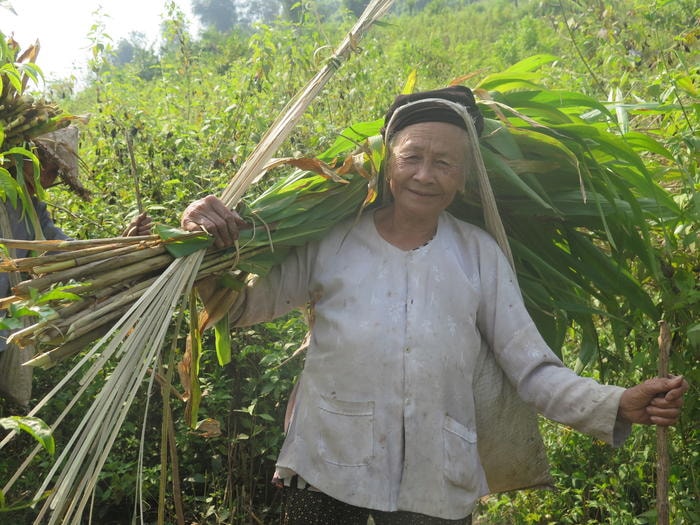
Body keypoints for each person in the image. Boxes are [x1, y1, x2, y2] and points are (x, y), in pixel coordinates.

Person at [180, 86, 688, 525]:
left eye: (444, 162)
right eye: (412, 157)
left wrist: (614, 402)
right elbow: (243, 306)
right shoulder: (332, 241)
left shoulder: (478, 255)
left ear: (463, 178)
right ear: (388, 163)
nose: (425, 174)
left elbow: (532, 371)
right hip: (327, 461)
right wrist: (195, 250)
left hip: (435, 476)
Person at [0, 126, 152, 407]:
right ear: (23, 158)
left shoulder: (31, 208)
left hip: (5, 328)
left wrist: (124, 244)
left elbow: (65, 249)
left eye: (56, 173)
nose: (50, 179)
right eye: (48, 168)